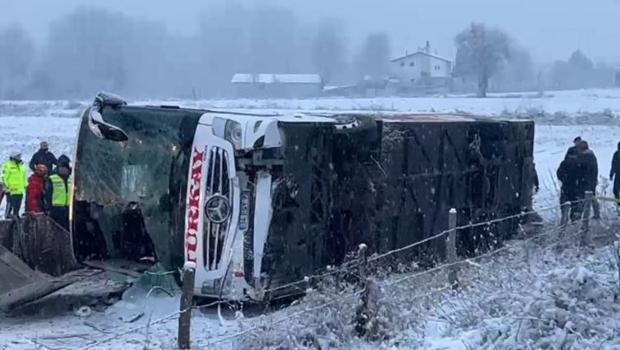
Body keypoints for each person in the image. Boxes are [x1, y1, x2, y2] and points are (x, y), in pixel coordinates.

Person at [557, 148, 586, 221]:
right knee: (575, 207)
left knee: (564, 206)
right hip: (576, 188)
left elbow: (559, 174)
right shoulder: (579, 163)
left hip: (566, 188)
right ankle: (575, 222)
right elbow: (583, 175)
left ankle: (564, 222)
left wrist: (565, 180)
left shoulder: (564, 163)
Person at [46, 158, 71, 230]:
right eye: (61, 167)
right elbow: (48, 195)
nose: (62, 169)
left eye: (64, 167)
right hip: (56, 209)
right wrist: (49, 208)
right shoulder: (52, 179)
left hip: (68, 208)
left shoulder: (71, 179)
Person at [577, 141, 600, 219]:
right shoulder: (591, 156)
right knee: (592, 197)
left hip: (586, 181)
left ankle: (583, 216)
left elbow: (583, 170)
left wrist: (583, 178)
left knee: (585, 198)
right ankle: (596, 213)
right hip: (591, 180)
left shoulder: (586, 157)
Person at [2, 152, 27, 218]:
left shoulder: (22, 165)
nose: (19, 157)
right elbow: (3, 177)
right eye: (18, 156)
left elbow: (24, 177)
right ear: (13, 157)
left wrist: (26, 185)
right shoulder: (8, 165)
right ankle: (7, 216)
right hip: (11, 190)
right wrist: (6, 188)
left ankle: (16, 216)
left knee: (17, 206)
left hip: (20, 190)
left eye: (20, 156)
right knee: (10, 204)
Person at [610, 142, 620, 210]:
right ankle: (619, 204)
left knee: (615, 190)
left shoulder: (616, 154)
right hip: (618, 175)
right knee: (615, 190)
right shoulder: (616, 154)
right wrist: (611, 173)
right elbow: (613, 164)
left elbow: (613, 164)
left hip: (618, 175)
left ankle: (619, 204)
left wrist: (611, 173)